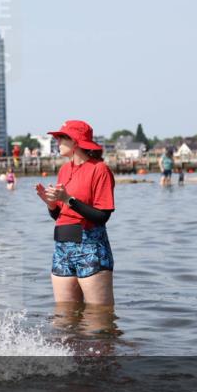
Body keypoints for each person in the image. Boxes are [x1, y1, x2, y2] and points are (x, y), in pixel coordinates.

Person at [35, 120, 115, 306]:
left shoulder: (99, 169)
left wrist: (68, 199)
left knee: (99, 318)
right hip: (62, 248)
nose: (57, 141)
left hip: (90, 247)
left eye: (62, 137)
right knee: (64, 318)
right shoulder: (64, 170)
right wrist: (51, 204)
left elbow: (103, 216)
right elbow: (60, 216)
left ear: (76, 141)